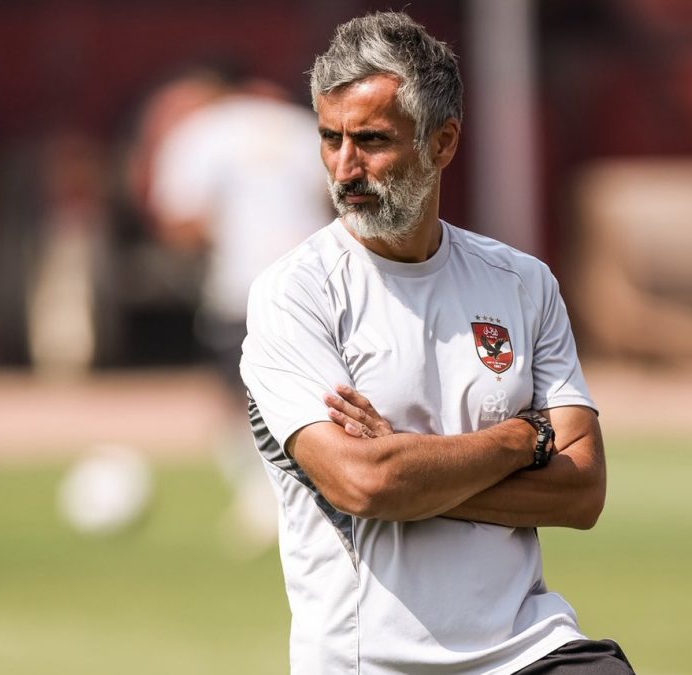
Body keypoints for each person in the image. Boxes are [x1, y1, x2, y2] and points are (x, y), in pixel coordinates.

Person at [241, 11, 634, 674]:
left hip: (529, 647)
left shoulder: (523, 283)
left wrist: (414, 471)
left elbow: (583, 489)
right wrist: (521, 441)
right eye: (329, 138)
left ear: (442, 142)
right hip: (377, 661)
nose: (344, 167)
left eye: (370, 140)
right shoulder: (294, 294)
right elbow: (365, 481)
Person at [143, 66, 333, 554]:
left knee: (235, 400)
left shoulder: (202, 132)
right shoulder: (303, 127)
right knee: (322, 391)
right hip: (317, 280)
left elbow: (180, 220)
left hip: (242, 286)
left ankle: (267, 492)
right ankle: (309, 491)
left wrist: (222, 242)